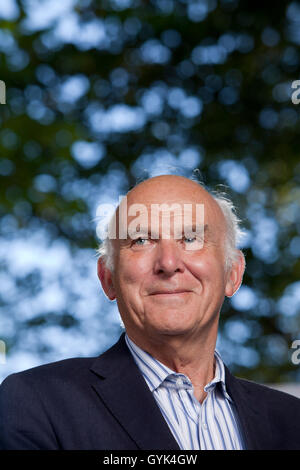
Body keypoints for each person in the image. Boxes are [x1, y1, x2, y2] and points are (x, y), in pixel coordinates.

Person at [0, 174, 300, 450]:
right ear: (108, 279)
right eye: (141, 240)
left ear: (233, 273)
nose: (169, 263)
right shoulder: (35, 402)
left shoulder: (291, 421)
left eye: (191, 239)